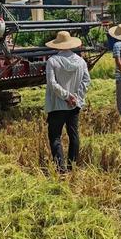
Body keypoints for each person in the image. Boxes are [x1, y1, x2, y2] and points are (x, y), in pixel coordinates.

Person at [45, 30, 90, 172]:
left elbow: (52, 84)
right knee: (74, 134)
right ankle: (72, 166)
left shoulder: (52, 61)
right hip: (74, 106)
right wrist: (75, 97)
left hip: (57, 106)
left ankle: (61, 169)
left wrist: (66, 96)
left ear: (57, 45)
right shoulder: (81, 61)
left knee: (55, 136)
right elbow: (86, 80)